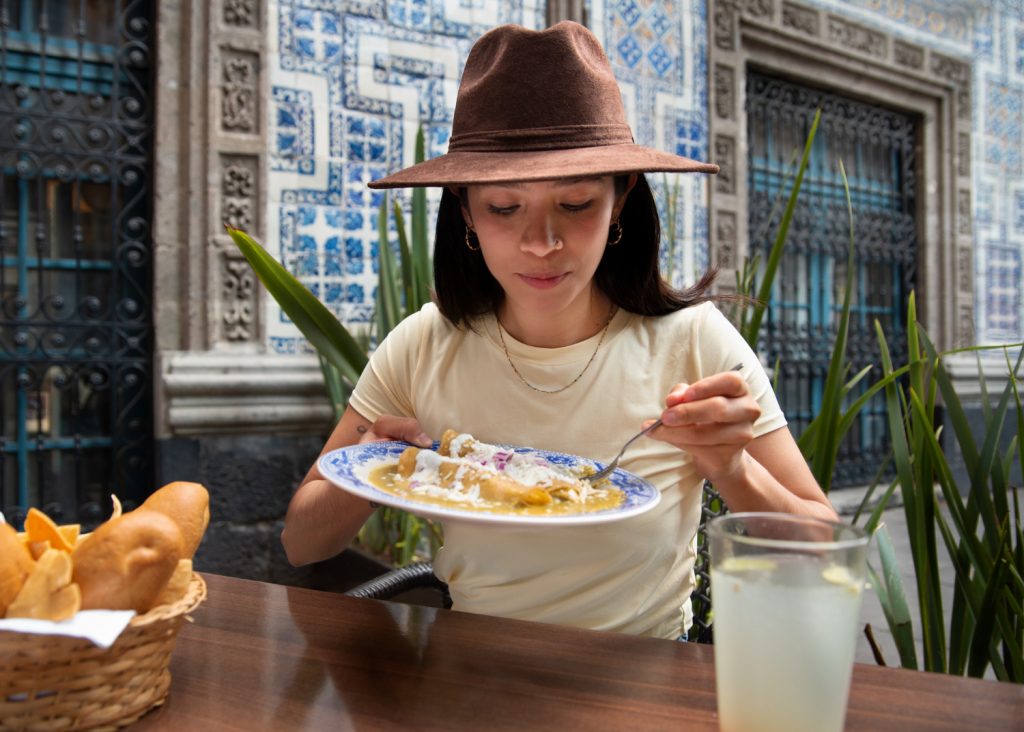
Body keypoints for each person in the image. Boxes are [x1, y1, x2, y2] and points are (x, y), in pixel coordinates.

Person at [282, 21, 836, 639]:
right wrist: (375, 470)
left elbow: (821, 546)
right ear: (465, 210)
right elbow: (302, 543)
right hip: (469, 674)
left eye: (575, 205)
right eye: (503, 207)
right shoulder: (422, 345)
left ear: (620, 199)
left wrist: (733, 467)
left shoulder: (694, 342)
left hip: (644, 678)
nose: (541, 243)